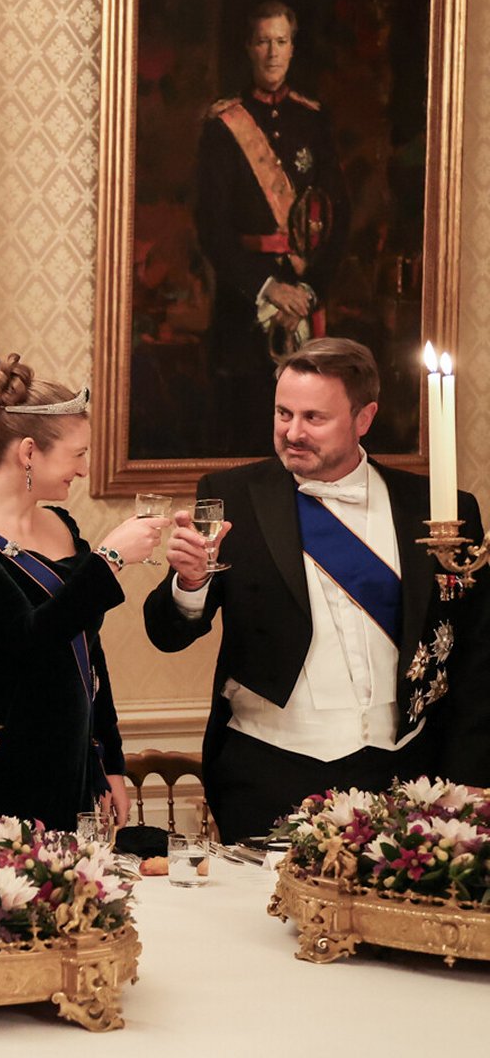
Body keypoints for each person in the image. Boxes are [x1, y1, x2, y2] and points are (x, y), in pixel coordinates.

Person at [143, 337, 490, 842]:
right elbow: (167, 633)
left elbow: (477, 657)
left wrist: (470, 777)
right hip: (268, 772)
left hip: (405, 771)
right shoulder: (232, 495)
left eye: (314, 418)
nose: (292, 432)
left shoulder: (440, 512)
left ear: (364, 418)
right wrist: (190, 583)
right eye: (283, 413)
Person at [0, 355, 163, 834]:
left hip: (73, 760)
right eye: (77, 454)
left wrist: (110, 760)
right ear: (29, 451)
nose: (84, 469)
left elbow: (89, 651)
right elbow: (27, 639)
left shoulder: (61, 525)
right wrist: (110, 560)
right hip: (4, 763)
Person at [196, 1, 351, 456]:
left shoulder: (313, 119)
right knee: (245, 435)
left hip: (306, 297)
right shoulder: (223, 126)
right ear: (249, 47)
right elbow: (212, 227)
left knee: (312, 437)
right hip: (243, 307)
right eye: (263, 41)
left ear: (292, 47)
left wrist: (308, 290)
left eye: (281, 41)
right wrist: (268, 288)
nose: (272, 52)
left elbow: (338, 217)